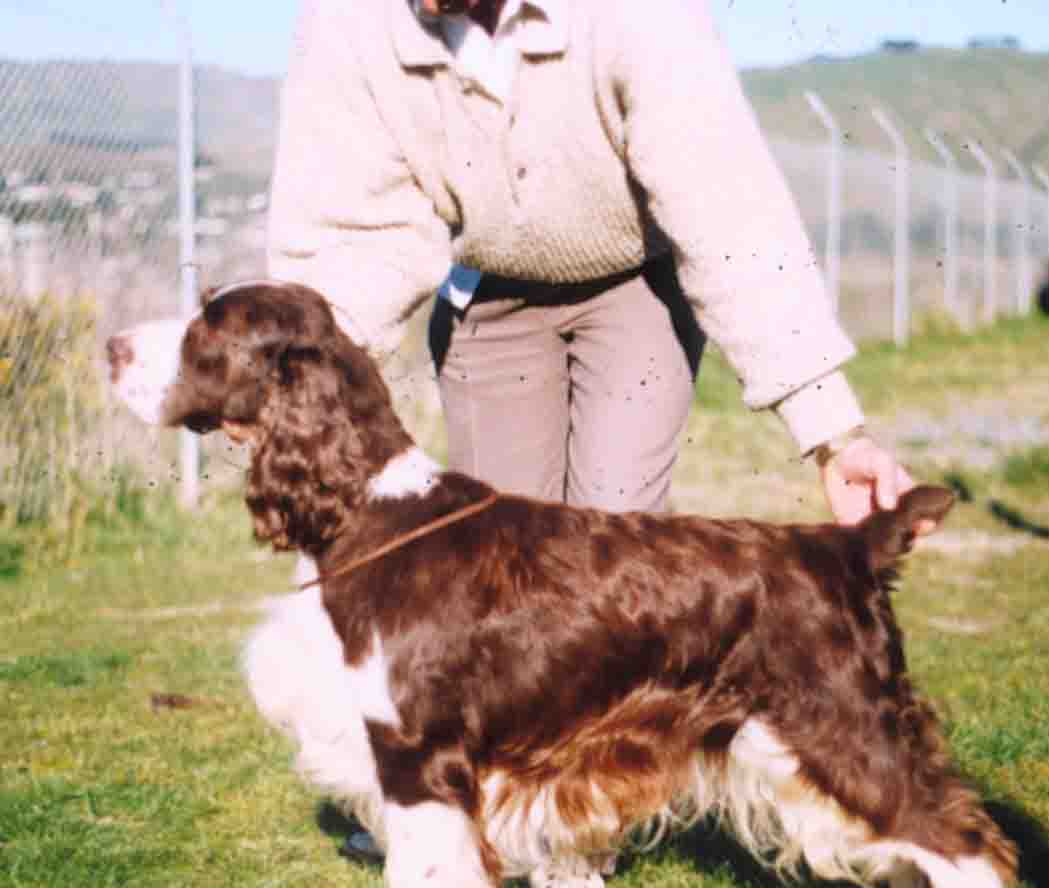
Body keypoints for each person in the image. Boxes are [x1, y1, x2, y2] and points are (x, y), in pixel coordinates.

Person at [267, 0, 924, 529]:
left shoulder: (639, 14)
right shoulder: (345, 21)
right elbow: (352, 240)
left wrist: (833, 433)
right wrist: (286, 380)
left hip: (637, 286)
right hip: (486, 294)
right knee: (502, 561)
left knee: (610, 554)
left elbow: (728, 212)